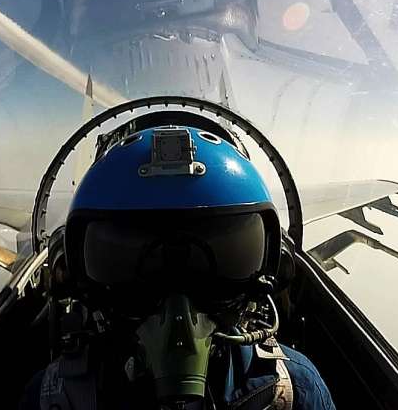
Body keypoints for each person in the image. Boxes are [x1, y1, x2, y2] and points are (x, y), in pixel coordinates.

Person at [21, 117, 334, 409]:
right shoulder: (293, 388)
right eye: (138, 269)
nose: (179, 317)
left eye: (212, 265)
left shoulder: (54, 397)